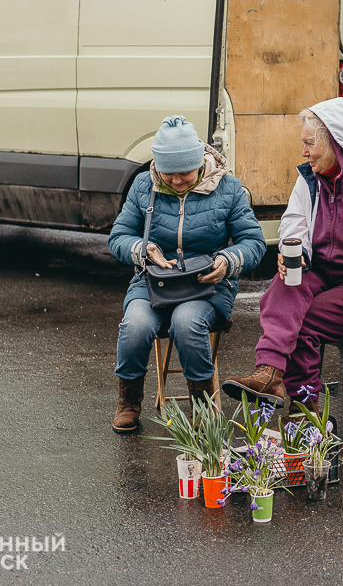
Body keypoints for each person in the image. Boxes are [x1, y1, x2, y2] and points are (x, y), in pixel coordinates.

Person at [222, 97, 343, 412]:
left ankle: (304, 410)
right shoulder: (311, 179)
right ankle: (268, 373)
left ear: (335, 143)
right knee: (280, 288)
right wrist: (294, 249)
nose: (304, 152)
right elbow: (293, 222)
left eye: (310, 143)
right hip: (322, 273)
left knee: (303, 321)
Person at [108, 116, 265, 433]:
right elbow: (118, 237)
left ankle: (202, 407)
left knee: (186, 322)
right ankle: (129, 401)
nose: (177, 180)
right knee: (135, 325)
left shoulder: (228, 189)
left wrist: (228, 260)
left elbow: (254, 243)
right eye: (169, 173)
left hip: (207, 286)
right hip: (153, 282)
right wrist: (145, 249)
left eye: (185, 172)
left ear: (199, 163)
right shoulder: (143, 186)